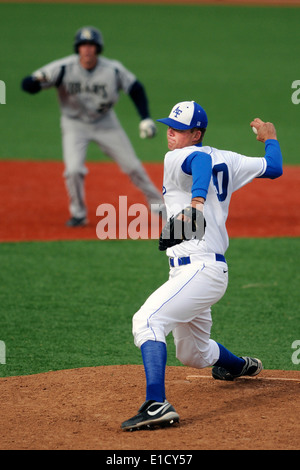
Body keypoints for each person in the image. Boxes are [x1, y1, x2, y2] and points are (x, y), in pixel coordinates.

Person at [121, 100, 283, 431]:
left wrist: (196, 201)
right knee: (193, 355)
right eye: (169, 126)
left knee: (147, 321)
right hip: (200, 271)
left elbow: (199, 161)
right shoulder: (231, 160)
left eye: (178, 129)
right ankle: (237, 366)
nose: (170, 133)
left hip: (199, 269)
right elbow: (274, 166)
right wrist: (270, 138)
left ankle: (156, 405)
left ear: (195, 133)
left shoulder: (181, 155)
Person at [21, 26, 164, 227]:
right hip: (74, 124)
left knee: (133, 166)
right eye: (83, 45)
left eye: (91, 45)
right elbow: (27, 85)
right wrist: (35, 82)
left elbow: (136, 88)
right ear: (77, 48)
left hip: (106, 123)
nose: (87, 49)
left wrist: (145, 117)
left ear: (98, 49)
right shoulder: (62, 68)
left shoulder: (112, 69)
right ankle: (78, 214)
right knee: (73, 170)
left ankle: (161, 208)